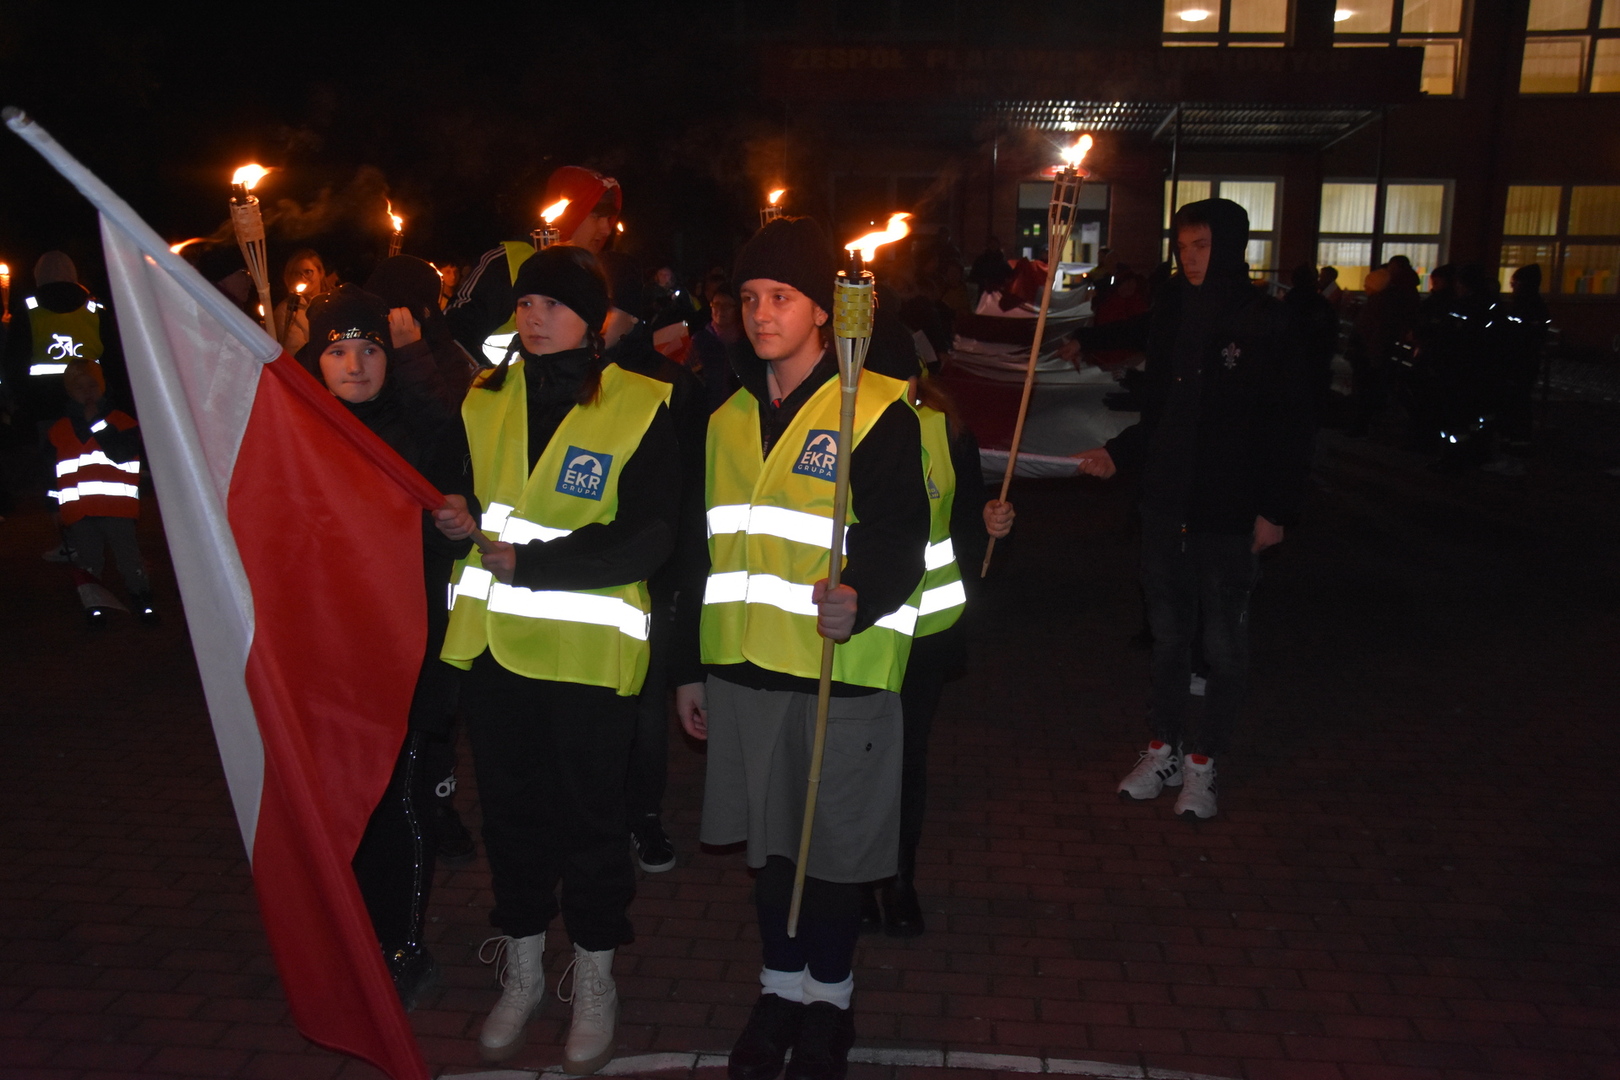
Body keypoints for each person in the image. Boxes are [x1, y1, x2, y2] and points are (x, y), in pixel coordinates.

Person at [672, 216, 929, 1080]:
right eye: (747, 298)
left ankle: (830, 1002)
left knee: (832, 856)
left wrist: (863, 595)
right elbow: (700, 551)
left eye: (780, 297)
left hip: (838, 673)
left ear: (823, 310)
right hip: (743, 672)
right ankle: (779, 990)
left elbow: (902, 536)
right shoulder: (728, 415)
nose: (760, 313)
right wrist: (688, 670)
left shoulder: (880, 406)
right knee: (772, 854)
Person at [434, 244, 680, 1071]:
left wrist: (532, 564)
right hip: (497, 649)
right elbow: (472, 491)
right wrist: (456, 516)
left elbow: (649, 538)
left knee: (592, 825)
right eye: (526, 304)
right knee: (512, 820)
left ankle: (596, 975)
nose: (533, 317)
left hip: (586, 654)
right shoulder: (483, 396)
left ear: (594, 321)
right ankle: (525, 969)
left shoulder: (643, 403)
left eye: (553, 305)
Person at [1073, 198, 1314, 822]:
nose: (1190, 258)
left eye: (1202, 246)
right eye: (1182, 247)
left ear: (1229, 246)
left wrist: (1276, 508)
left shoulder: (1266, 321)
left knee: (1223, 641)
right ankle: (1164, 748)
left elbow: (1289, 423)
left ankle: (1206, 762)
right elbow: (1162, 411)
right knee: (1170, 638)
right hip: (1166, 504)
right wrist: (1119, 456)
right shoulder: (1175, 311)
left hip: (1230, 509)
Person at [298, 285, 472, 1009]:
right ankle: (349, 935)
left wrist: (460, 519)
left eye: (369, 348)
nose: (356, 365)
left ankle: (400, 942)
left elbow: (459, 483)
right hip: (328, 656)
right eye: (338, 350)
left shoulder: (421, 430)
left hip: (405, 649)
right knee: (343, 802)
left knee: (400, 797)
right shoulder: (300, 437)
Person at [860, 326, 1014, 938]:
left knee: (904, 759)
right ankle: (850, 881)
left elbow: (966, 520)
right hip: (851, 628)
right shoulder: (834, 427)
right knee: (854, 761)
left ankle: (898, 879)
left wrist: (991, 522)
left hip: (921, 630)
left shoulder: (945, 430)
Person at [600, 249, 709, 874]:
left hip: (652, 571)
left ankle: (643, 818)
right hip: (581, 570)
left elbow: (689, 493)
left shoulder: (670, 386)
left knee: (642, 703)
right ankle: (595, 814)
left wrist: (681, 575)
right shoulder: (565, 375)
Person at [445, 166, 623, 363]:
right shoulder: (509, 263)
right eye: (597, 216)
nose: (607, 229)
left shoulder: (598, 271)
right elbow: (452, 335)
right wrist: (492, 384)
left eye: (610, 218)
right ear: (573, 212)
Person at [47, 359, 154, 627]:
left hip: (116, 507)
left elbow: (120, 453)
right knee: (89, 560)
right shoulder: (58, 429)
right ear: (69, 390)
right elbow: (50, 472)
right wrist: (53, 507)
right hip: (79, 510)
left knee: (128, 558)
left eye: (92, 385)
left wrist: (96, 422)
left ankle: (142, 598)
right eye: (79, 386)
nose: (87, 392)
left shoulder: (122, 421)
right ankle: (94, 604)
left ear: (103, 386)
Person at [4, 251, 124, 437]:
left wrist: (20, 402)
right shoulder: (95, 311)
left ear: (38, 275)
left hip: (44, 404)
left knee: (56, 457)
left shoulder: (27, 311)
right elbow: (113, 360)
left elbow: (15, 361)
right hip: (92, 403)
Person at [273, 249, 328, 356]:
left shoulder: (333, 303)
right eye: (296, 273)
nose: (302, 278)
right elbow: (296, 352)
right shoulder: (286, 311)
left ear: (320, 273)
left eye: (308, 272)